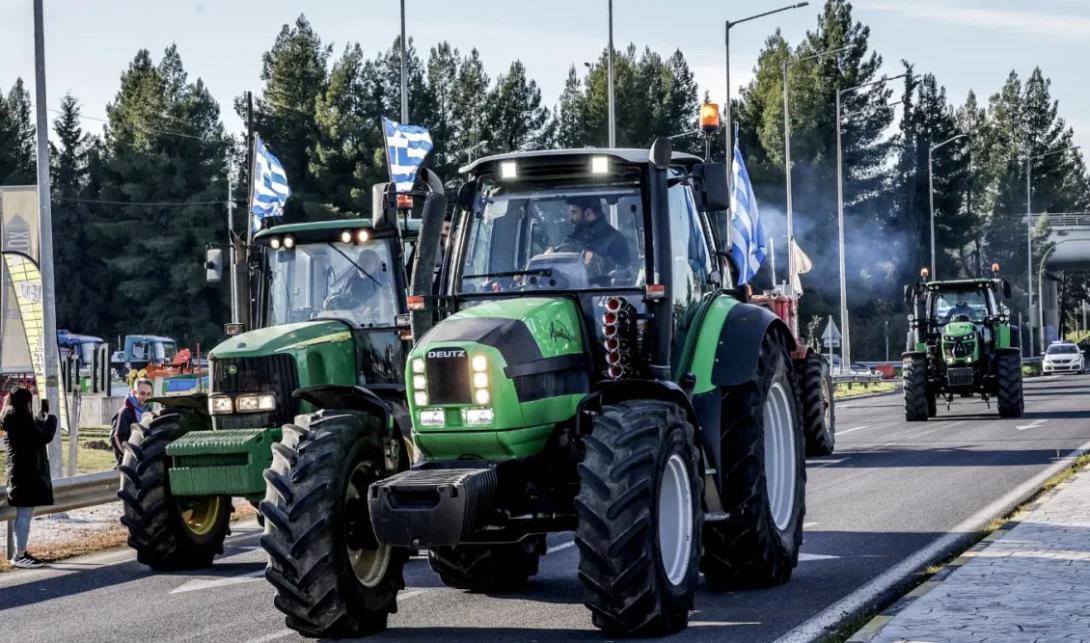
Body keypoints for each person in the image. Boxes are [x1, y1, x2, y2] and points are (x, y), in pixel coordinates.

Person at [2, 388, 58, 569]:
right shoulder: (20, 420)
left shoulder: (12, 418)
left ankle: (21, 552)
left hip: (21, 474)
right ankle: (20, 554)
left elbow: (32, 434)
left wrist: (40, 420)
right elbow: (42, 437)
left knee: (24, 514)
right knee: (24, 515)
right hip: (25, 475)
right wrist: (51, 420)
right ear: (25, 402)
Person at [562, 196, 631, 275]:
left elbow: (623, 275)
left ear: (588, 213)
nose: (571, 219)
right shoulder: (575, 239)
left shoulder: (617, 241)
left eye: (574, 212)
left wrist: (595, 260)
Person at [111, 379, 153, 465]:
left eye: (148, 394)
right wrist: (128, 457)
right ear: (134, 392)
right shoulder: (125, 412)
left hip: (143, 460)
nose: (145, 398)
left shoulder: (149, 411)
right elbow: (116, 437)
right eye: (142, 393)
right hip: (129, 461)